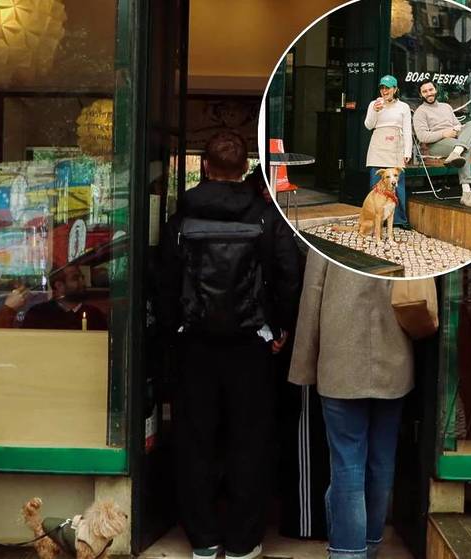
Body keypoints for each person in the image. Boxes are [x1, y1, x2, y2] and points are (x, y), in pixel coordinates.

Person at [159, 130, 301, 559]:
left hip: (194, 344)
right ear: (244, 170)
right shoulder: (263, 216)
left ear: (205, 167)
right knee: (250, 442)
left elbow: (164, 281)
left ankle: (202, 539)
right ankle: (242, 542)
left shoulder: (181, 218)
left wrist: (170, 333)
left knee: (195, 440)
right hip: (250, 346)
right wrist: (280, 329)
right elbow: (288, 275)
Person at [288, 251, 416, 559]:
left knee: (347, 463)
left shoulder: (328, 233)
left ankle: (348, 552)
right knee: (382, 461)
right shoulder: (404, 231)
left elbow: (313, 293)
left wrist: (304, 364)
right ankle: (370, 544)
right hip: (395, 357)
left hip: (340, 359)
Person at [412, 78, 471, 208]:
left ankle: (456, 152)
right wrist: (444, 133)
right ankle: (467, 193)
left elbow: (457, 125)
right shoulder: (420, 112)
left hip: (454, 139)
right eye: (425, 91)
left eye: (430, 89)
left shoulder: (446, 107)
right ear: (421, 94)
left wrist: (457, 129)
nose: (429, 93)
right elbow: (422, 137)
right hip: (436, 144)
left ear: (436, 90)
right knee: (465, 149)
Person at [364, 75, 412, 229]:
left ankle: (399, 220)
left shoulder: (403, 107)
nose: (384, 91)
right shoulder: (374, 103)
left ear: (395, 89)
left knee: (398, 186)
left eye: (388, 87)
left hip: (395, 148)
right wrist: (375, 111)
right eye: (382, 87)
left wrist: (408, 151)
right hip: (378, 148)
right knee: (376, 187)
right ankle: (376, 220)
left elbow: (407, 130)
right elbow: (368, 125)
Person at [22, 263, 108, 330]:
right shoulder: (38, 314)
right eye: (75, 278)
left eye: (82, 278)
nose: (83, 282)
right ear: (59, 285)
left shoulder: (95, 315)